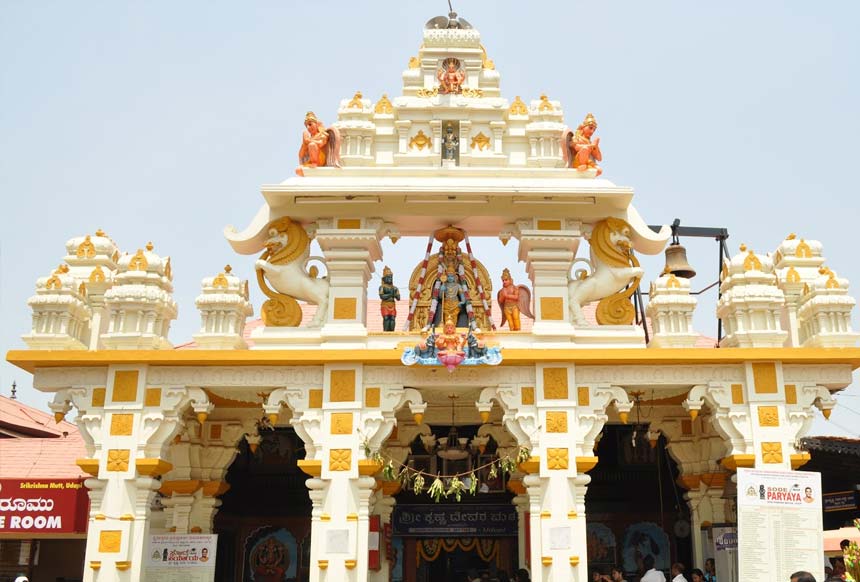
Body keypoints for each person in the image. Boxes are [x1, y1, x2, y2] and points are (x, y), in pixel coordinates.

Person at [378, 266, 400, 332]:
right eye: (388, 277)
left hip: (392, 305)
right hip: (385, 305)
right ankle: (386, 332)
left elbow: (398, 298)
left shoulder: (395, 288)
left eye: (391, 277)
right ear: (384, 279)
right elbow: (382, 296)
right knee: (386, 318)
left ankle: (391, 332)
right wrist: (391, 294)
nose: (390, 279)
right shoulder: (382, 287)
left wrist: (395, 294)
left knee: (392, 318)